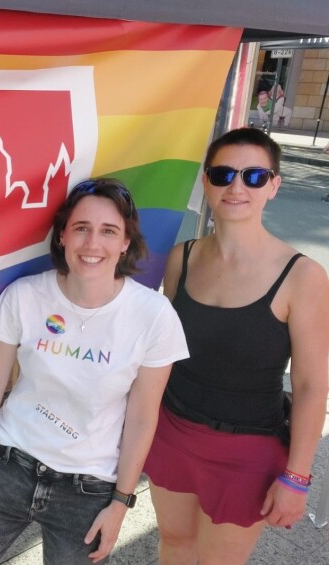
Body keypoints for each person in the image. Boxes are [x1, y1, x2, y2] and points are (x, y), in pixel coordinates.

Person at [0, 178, 189, 565]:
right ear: (62, 237)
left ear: (125, 243)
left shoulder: (153, 317)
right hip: (6, 468)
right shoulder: (25, 295)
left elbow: (141, 417)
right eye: (81, 228)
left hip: (86, 491)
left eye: (109, 231)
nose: (92, 244)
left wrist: (120, 503)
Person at [144, 128, 329, 564]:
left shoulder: (302, 277)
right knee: (173, 543)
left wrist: (297, 477)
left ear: (274, 186)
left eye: (254, 176)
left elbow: (310, 387)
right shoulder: (181, 258)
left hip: (246, 451)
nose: (236, 187)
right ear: (206, 182)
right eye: (223, 174)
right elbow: (162, 355)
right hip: (171, 432)